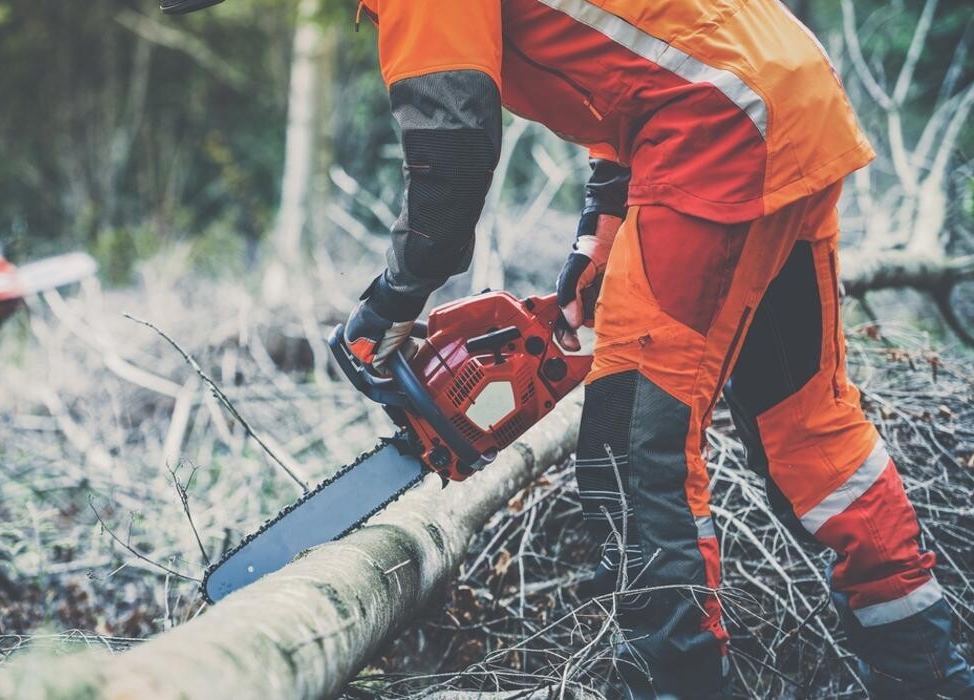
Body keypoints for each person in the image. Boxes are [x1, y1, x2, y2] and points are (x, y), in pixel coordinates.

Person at [173, 1, 973, 696]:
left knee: (633, 452)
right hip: (784, 94)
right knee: (805, 423)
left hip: (716, 128)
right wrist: (599, 228)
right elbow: (642, 44)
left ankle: (679, 683)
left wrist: (393, 299)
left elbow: (451, 156)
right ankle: (923, 670)